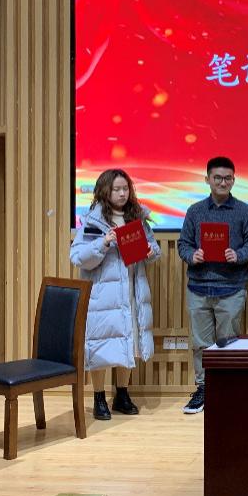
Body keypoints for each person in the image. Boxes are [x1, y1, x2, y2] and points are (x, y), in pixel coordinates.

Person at [70, 169, 161, 420]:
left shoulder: (137, 218)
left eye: (125, 188)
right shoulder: (93, 221)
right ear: (105, 191)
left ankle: (122, 394)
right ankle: (99, 397)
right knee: (100, 344)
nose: (122, 193)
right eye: (116, 189)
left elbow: (154, 248)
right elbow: (77, 257)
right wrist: (103, 243)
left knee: (129, 343)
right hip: (103, 297)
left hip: (132, 292)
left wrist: (151, 251)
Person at [177, 156, 248, 414]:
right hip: (198, 287)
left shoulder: (244, 211)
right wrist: (192, 255)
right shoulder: (195, 211)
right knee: (201, 343)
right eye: (217, 178)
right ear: (207, 180)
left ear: (234, 180)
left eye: (227, 178)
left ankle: (227, 388)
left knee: (228, 343)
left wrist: (239, 254)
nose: (222, 182)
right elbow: (183, 244)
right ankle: (203, 388)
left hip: (231, 288)